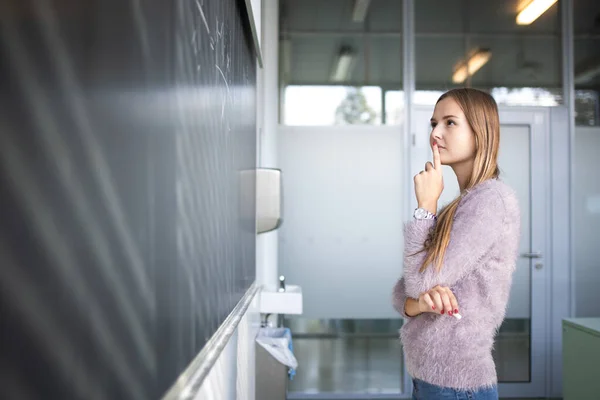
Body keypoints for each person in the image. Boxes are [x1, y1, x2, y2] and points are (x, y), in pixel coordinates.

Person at [392, 88, 521, 400]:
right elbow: (403, 291)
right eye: (434, 123)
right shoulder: (462, 204)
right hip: (433, 380)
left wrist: (425, 207)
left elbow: (421, 279)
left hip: (457, 386)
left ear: (480, 131)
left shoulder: (491, 201)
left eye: (449, 123)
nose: (435, 133)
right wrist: (420, 302)